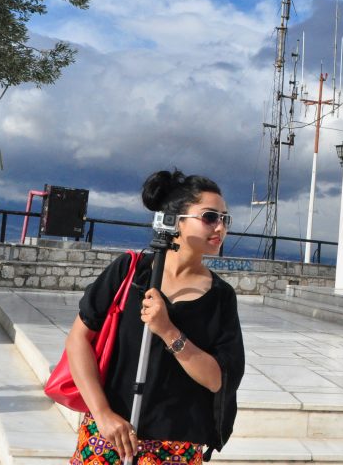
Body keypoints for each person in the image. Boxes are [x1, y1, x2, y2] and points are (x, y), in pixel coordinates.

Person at [64, 170, 245, 464]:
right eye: (210, 217)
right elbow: (78, 339)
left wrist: (168, 331)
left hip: (176, 445)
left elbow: (219, 381)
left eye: (225, 219)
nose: (220, 227)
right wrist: (103, 415)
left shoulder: (221, 296)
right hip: (110, 434)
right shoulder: (131, 271)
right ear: (175, 221)